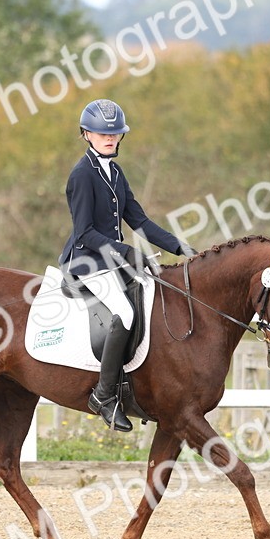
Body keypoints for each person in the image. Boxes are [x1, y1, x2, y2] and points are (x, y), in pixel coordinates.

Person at [59, 98, 198, 431]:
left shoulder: (115, 172)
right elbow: (85, 233)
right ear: (86, 134)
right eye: (100, 133)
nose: (109, 138)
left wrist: (179, 246)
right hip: (86, 261)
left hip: (112, 260)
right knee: (125, 314)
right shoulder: (82, 175)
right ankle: (104, 396)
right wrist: (125, 252)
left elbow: (140, 221)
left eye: (114, 134)